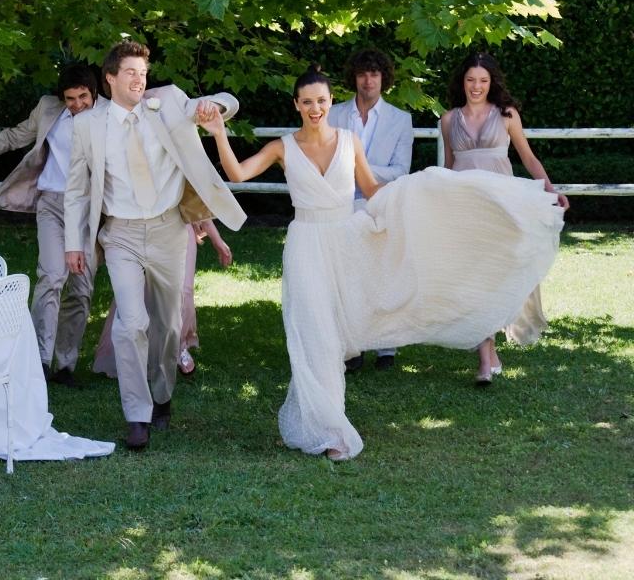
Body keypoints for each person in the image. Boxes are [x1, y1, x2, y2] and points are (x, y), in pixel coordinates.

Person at [198, 67, 563, 461]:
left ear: (328, 102)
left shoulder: (349, 141)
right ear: (297, 105)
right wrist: (219, 132)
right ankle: (330, 428)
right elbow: (237, 173)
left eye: (322, 101)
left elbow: (371, 190)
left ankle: (328, 419)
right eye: (307, 102)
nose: (316, 108)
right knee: (314, 333)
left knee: (341, 329)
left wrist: (417, 194)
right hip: (305, 245)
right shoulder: (283, 147)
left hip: (345, 240)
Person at [63, 40, 246, 451]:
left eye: (143, 72)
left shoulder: (168, 102)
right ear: (110, 78)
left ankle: (162, 394)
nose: (139, 79)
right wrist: (74, 243)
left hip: (168, 230)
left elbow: (227, 102)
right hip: (121, 235)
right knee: (132, 324)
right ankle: (137, 415)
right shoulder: (87, 125)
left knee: (167, 326)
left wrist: (214, 106)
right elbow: (75, 190)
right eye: (130, 72)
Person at [0, 64, 104, 386]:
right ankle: (38, 361)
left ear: (94, 91)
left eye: (83, 96)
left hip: (90, 210)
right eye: (70, 98)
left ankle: (65, 365)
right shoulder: (48, 109)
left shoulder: (111, 116)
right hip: (51, 204)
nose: (76, 104)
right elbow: (14, 136)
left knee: (82, 289)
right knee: (51, 276)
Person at [440, 52, 570, 385]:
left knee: (495, 276)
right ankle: (486, 358)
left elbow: (527, 156)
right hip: (465, 205)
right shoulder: (448, 119)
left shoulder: (507, 115)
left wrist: (551, 190)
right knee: (473, 279)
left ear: (491, 82)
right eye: (470, 80)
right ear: (462, 82)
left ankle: (490, 353)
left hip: (501, 206)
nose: (476, 87)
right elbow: (450, 166)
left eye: (483, 80)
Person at [328, 49, 414, 372]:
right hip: (339, 206)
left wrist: (356, 165)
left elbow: (400, 170)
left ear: (384, 79)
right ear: (355, 77)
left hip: (380, 205)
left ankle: (386, 346)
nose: (368, 80)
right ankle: (352, 346)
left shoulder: (400, 120)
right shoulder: (333, 115)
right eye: (363, 74)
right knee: (347, 277)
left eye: (375, 74)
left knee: (382, 273)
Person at [92, 219, 233, 378]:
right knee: (143, 291)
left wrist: (216, 238)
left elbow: (196, 200)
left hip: (182, 229)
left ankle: (180, 346)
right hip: (149, 228)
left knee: (184, 292)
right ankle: (129, 354)